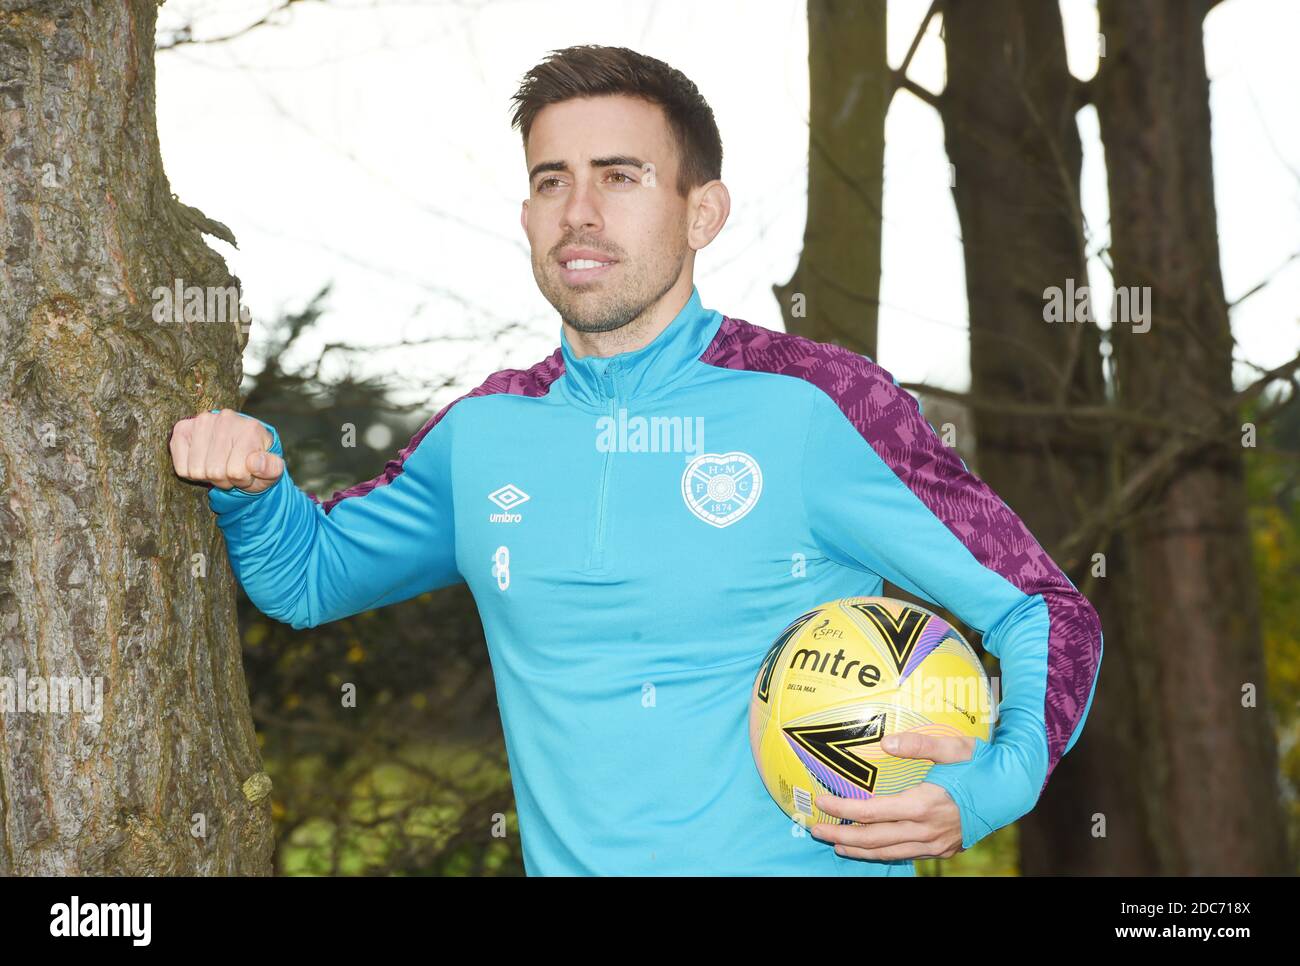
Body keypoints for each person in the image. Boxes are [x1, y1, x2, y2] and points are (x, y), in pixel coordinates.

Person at [169, 44, 1103, 876]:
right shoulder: (483, 431)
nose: (579, 212)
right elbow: (308, 577)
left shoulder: (821, 407)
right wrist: (253, 483)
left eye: (621, 176)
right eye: (550, 181)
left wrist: (988, 789)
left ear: (703, 213)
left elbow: (1043, 609)